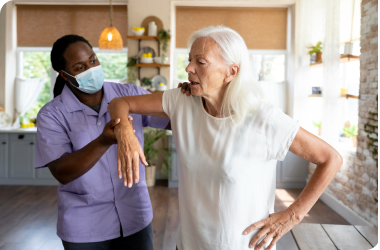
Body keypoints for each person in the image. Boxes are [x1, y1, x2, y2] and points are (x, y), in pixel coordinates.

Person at [107, 26, 343, 250]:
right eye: (189, 60)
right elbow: (120, 102)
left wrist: (293, 215)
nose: (189, 68)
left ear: (232, 71)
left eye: (200, 62)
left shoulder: (264, 119)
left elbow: (330, 158)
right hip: (188, 244)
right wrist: (125, 132)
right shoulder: (181, 100)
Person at [35, 34, 176, 250]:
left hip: (135, 216)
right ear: (64, 75)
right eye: (80, 67)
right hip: (85, 226)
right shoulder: (52, 114)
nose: (91, 69)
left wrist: (187, 102)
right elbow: (62, 172)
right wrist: (103, 141)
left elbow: (172, 122)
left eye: (92, 60)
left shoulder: (128, 94)